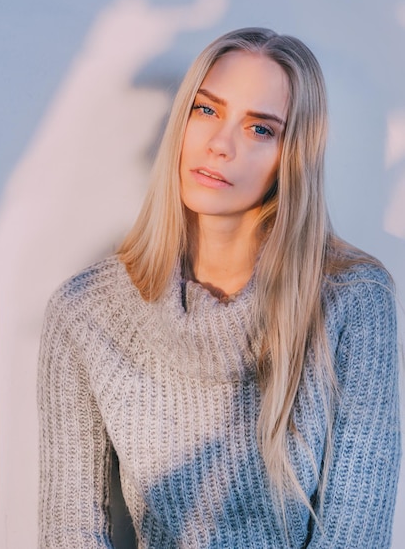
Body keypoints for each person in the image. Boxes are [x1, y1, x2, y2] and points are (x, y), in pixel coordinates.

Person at [37, 27, 401, 548]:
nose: (220, 145)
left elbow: (355, 534)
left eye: (260, 129)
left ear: (291, 157)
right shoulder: (85, 312)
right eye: (206, 110)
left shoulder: (354, 300)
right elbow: (68, 532)